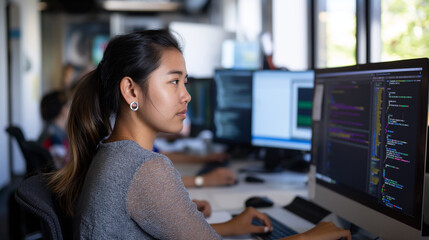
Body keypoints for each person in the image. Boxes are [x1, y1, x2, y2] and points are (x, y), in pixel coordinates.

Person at [48, 29, 351, 239]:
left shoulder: (112, 151)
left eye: (186, 82)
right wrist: (311, 237)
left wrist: (229, 226)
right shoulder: (146, 169)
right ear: (130, 90)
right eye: (174, 82)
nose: (187, 96)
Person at [38, 90, 71, 169]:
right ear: (63, 110)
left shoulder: (50, 129)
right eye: (70, 105)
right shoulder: (55, 137)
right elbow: (62, 168)